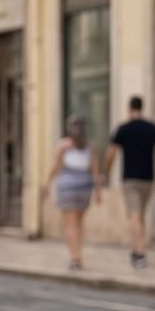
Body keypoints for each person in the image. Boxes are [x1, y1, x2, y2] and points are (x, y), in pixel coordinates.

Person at [102, 95, 155, 268]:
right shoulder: (152, 128)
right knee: (140, 215)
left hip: (130, 178)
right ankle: (136, 249)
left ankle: (140, 253)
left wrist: (105, 173)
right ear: (142, 108)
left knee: (134, 215)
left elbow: (110, 153)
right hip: (148, 178)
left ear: (129, 108)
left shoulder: (123, 129)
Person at [42, 114, 102, 271]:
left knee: (70, 224)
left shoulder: (63, 146)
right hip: (85, 186)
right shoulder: (91, 147)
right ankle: (78, 254)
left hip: (67, 186)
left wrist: (47, 185)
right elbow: (95, 171)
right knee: (79, 223)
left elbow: (55, 167)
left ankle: (75, 258)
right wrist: (98, 191)